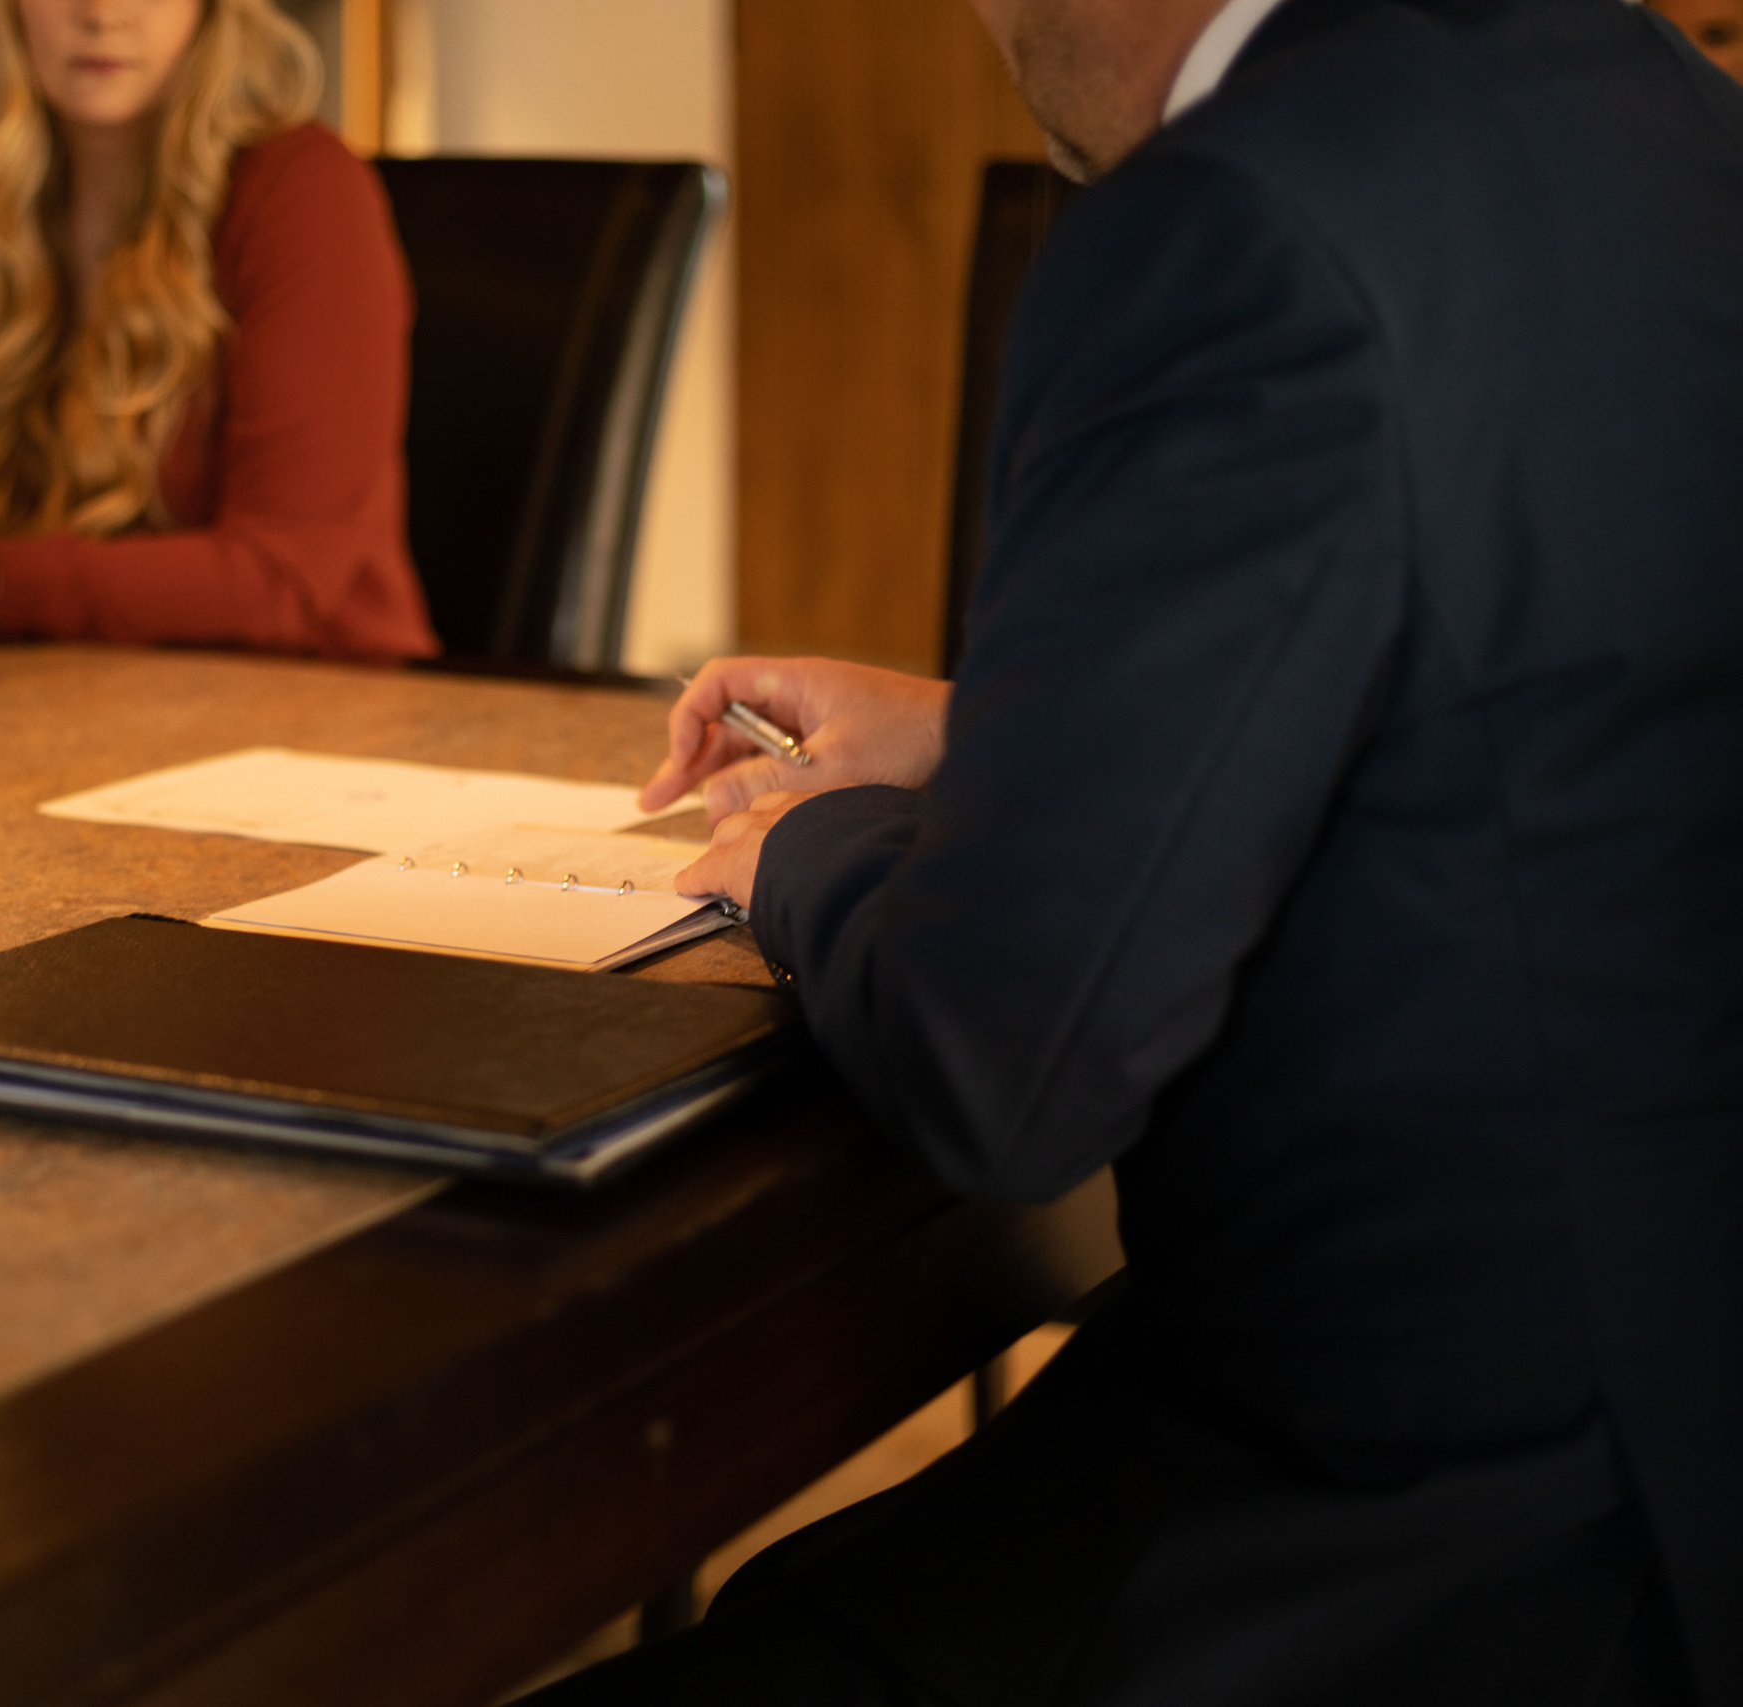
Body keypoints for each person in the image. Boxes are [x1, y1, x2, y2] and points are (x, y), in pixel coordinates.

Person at [531, 0, 1743, 1701]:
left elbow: (1009, 1067)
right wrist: (996, 731)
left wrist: (808, 845)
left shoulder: (1233, 218)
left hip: (1400, 1531)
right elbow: (1520, 691)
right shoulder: (1660, 105)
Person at [0, 0, 438, 662]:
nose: (101, 12)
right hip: (34, 709)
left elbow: (282, 580)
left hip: (320, 716)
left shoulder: (305, 191)